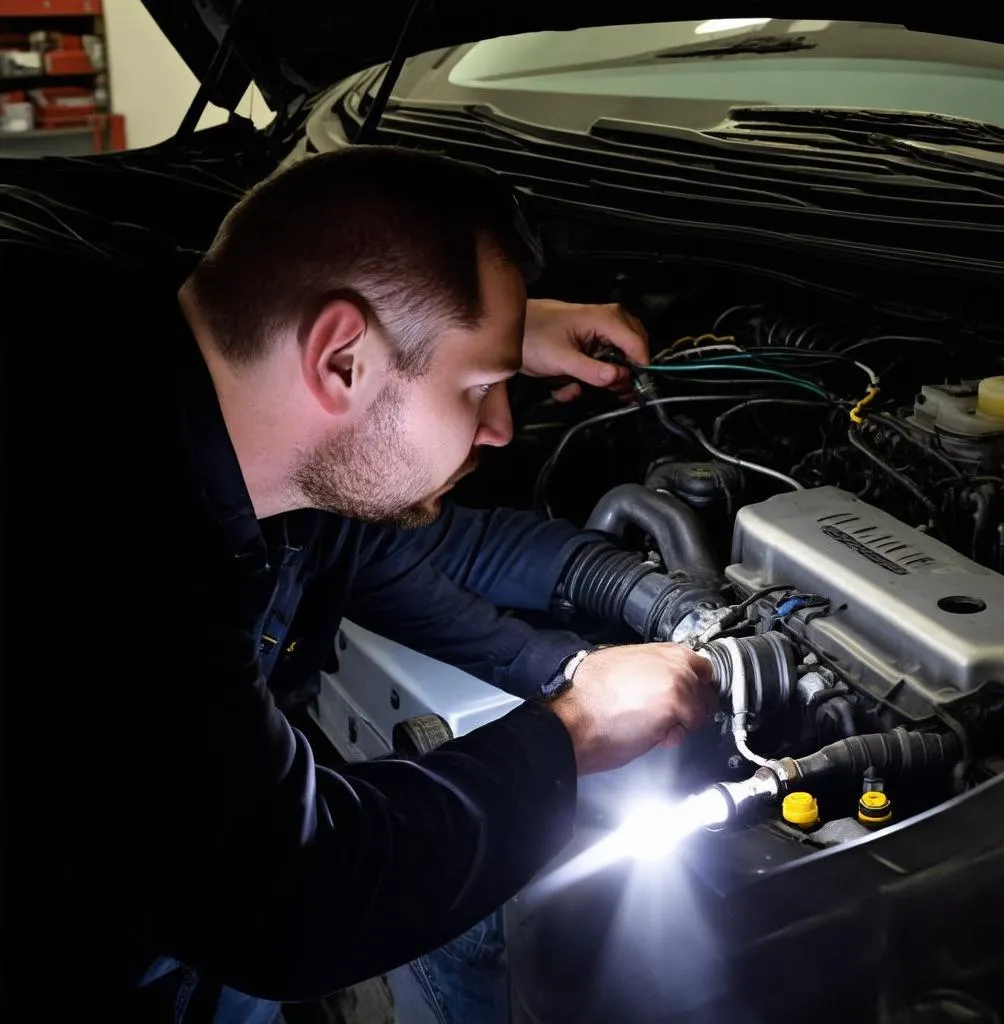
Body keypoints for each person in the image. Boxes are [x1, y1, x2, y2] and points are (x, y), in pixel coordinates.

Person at [1, 145, 716, 1022]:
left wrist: (489, 328)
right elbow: (290, 899)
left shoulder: (156, 357)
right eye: (483, 386)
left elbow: (397, 545)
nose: (500, 427)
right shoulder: (93, 545)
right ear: (341, 359)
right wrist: (573, 732)